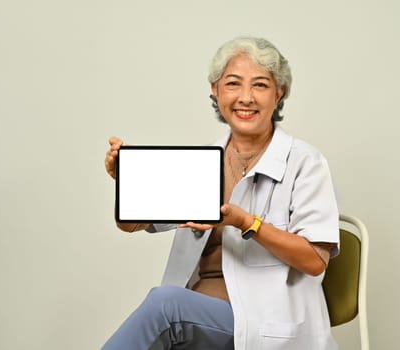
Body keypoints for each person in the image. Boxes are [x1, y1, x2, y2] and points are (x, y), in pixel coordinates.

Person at [103, 36, 340, 350]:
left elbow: (314, 261)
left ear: (278, 93)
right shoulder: (202, 163)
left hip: (263, 321)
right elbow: (131, 225)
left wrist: (246, 223)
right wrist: (129, 181)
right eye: (233, 84)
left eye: (260, 85)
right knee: (167, 308)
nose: (246, 98)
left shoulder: (305, 163)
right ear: (215, 91)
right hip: (198, 314)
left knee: (165, 305)